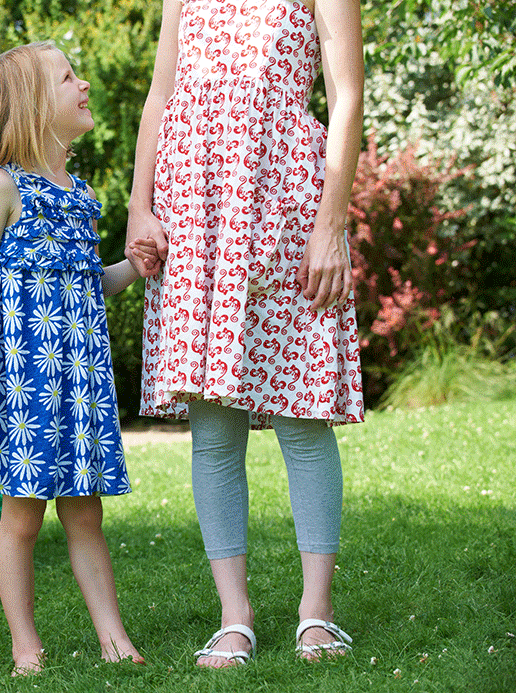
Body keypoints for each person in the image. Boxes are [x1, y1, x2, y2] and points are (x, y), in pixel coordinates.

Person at [125, 0, 365, 667]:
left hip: (284, 193)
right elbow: (160, 93)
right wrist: (139, 205)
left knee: (302, 411)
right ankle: (235, 617)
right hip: (195, 202)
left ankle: (317, 613)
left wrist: (330, 222)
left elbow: (347, 96)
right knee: (214, 426)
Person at [0, 41, 158, 675]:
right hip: (27, 378)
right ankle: (25, 645)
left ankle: (113, 639)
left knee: (86, 514)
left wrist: (135, 268)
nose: (84, 83)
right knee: (21, 519)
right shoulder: (0, 188)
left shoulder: (82, 194)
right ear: (32, 106)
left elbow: (88, 281)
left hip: (81, 381)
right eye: (68, 78)